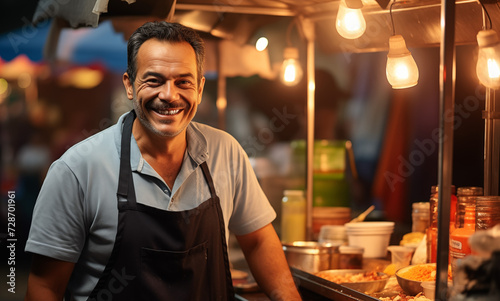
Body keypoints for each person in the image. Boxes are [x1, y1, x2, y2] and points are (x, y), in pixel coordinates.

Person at [24, 21, 302, 301]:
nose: (169, 95)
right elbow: (45, 287)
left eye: (183, 82)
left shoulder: (226, 152)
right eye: (154, 80)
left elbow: (258, 241)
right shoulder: (77, 169)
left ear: (200, 87)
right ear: (130, 85)